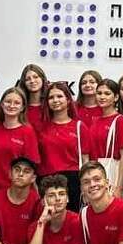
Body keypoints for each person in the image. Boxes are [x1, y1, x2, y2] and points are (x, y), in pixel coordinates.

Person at [38, 81, 88, 209]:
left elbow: (85, 160)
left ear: (68, 100)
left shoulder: (79, 126)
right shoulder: (41, 128)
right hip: (46, 181)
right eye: (51, 97)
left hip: (73, 182)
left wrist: (85, 185)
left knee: (72, 218)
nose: (55, 100)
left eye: (59, 96)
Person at [85, 79, 123, 197]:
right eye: (99, 93)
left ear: (116, 97)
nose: (102, 97)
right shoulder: (95, 121)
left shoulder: (121, 120)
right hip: (95, 172)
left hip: (112, 174)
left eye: (107, 93)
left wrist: (119, 188)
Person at [0, 87, 41, 193]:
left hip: (18, 191)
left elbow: (32, 165)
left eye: (17, 103)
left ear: (22, 107)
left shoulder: (27, 131)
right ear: (2, 104)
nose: (12, 106)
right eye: (8, 102)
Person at [19, 63, 49, 130]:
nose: (32, 81)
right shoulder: (20, 106)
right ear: (24, 83)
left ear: (42, 79)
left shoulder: (50, 104)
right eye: (28, 79)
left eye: (35, 77)